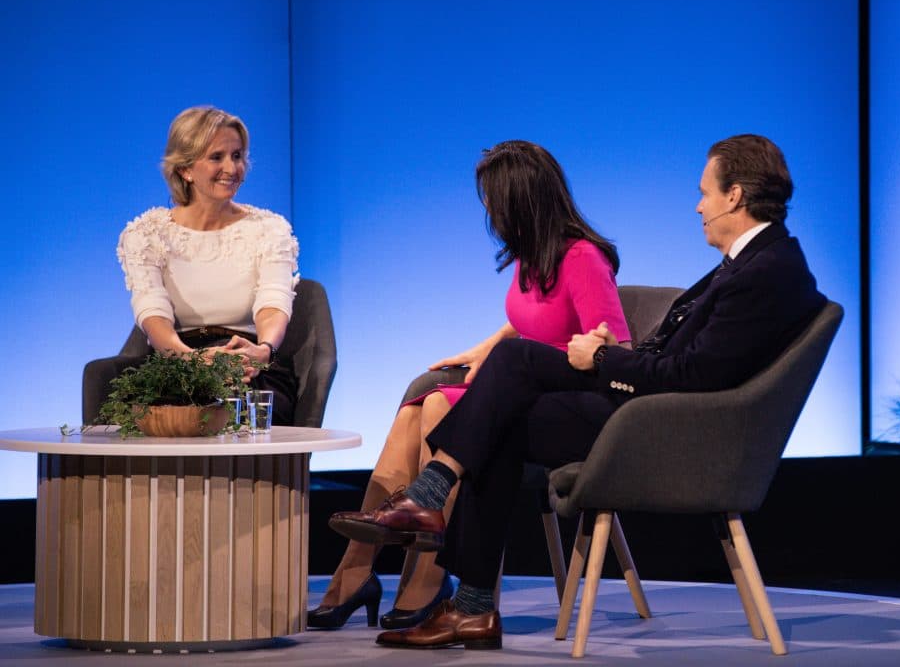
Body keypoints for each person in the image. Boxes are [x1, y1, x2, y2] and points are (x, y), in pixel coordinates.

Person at [330, 133, 828, 651]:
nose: (698, 205)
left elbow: (693, 375)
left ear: (736, 195)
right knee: (499, 413)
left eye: (705, 192)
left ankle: (431, 504)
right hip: (644, 405)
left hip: (657, 427)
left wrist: (606, 358)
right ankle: (471, 607)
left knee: (511, 370)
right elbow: (682, 360)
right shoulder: (754, 263)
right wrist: (610, 356)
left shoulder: (768, 272)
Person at [309, 140, 631, 631]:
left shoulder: (583, 257)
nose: (487, 208)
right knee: (417, 402)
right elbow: (534, 321)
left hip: (567, 408)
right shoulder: (532, 255)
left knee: (440, 405)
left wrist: (517, 355)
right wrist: (492, 344)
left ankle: (427, 574)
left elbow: (617, 351)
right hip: (522, 391)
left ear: (520, 199)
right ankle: (355, 571)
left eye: (492, 197)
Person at [114, 105, 299, 420]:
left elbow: (274, 300)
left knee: (240, 402)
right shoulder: (146, 234)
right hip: (177, 361)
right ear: (185, 169)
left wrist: (263, 350)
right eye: (217, 157)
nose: (232, 167)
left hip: (250, 363)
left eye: (237, 156)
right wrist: (192, 362)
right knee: (167, 405)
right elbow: (152, 313)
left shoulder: (270, 229)